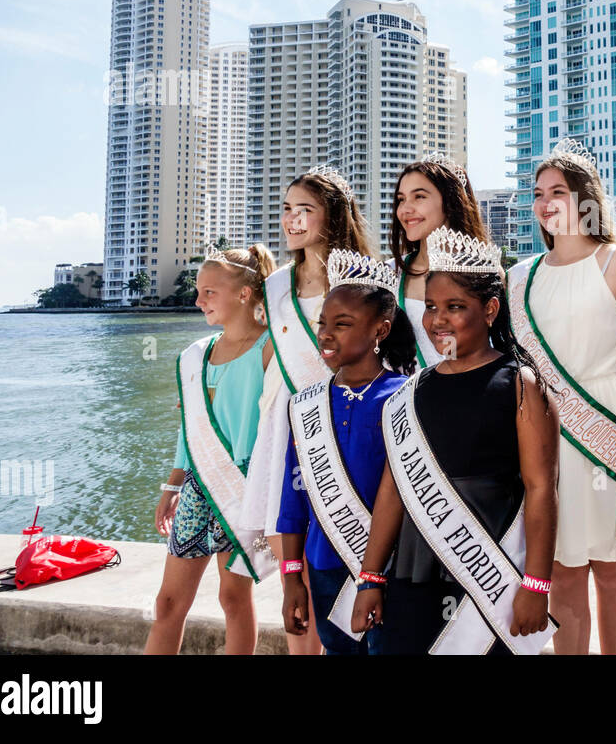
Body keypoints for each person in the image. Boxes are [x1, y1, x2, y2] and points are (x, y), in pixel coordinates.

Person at [351, 227, 558, 654]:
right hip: (416, 562)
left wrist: (537, 584)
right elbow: (392, 488)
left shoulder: (521, 385)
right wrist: (370, 576)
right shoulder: (412, 391)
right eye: (429, 307)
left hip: (490, 562)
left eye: (455, 307)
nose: (438, 319)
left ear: (490, 309)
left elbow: (542, 490)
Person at [507, 138, 616, 655]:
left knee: (612, 565)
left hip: (604, 424)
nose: (546, 202)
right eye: (538, 192)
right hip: (542, 432)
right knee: (563, 568)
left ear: (585, 198)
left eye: (559, 191)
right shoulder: (519, 278)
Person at [240, 164, 374, 655]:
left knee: (348, 569)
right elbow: (266, 352)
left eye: (306, 210)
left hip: (344, 430)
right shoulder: (274, 286)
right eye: (287, 210)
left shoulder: (361, 277)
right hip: (284, 430)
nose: (292, 220)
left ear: (332, 216)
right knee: (294, 577)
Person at [277, 250, 416, 655]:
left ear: (381, 329)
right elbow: (294, 497)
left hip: (393, 569)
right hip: (323, 567)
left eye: (343, 324)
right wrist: (291, 579)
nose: (326, 334)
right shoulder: (306, 406)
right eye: (323, 323)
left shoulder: (406, 397)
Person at [147, 244, 277, 655]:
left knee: (233, 599)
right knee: (168, 602)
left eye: (209, 292)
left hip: (244, 488)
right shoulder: (195, 355)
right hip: (199, 488)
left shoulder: (271, 350)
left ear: (244, 293)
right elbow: (190, 428)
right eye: (199, 292)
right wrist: (172, 486)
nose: (198, 300)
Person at [389, 152, 491, 369]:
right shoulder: (389, 274)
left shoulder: (484, 272)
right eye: (401, 199)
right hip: (399, 400)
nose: (405, 209)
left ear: (451, 201)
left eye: (419, 197)